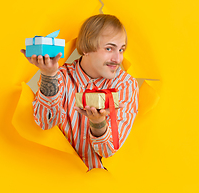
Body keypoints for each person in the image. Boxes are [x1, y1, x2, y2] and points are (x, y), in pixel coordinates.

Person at [20, 14, 139, 170]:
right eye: (109, 48)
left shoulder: (125, 84)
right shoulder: (59, 77)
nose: (117, 58)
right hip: (54, 175)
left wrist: (98, 123)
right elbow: (45, 122)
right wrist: (49, 76)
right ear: (86, 49)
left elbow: (109, 150)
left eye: (121, 49)